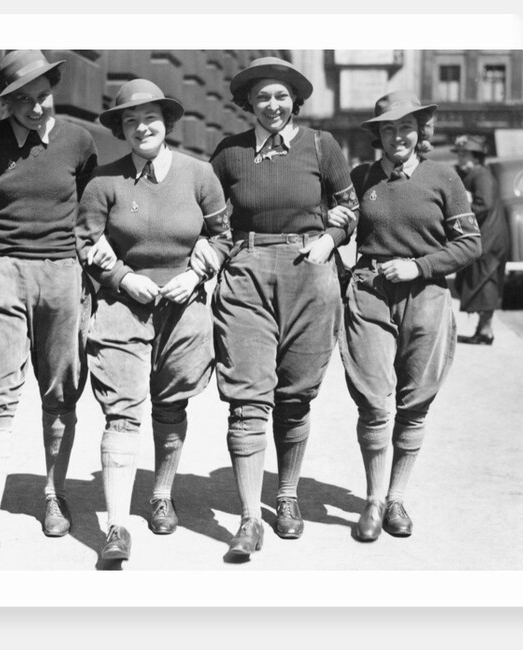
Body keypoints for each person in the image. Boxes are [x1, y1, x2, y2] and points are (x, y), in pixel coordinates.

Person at [199, 57, 360, 560]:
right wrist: (210, 251)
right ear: (249, 102)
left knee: (295, 396)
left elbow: (350, 207)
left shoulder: (321, 146)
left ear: (295, 100)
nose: (273, 105)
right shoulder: (228, 152)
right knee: (247, 397)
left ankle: (286, 497)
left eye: (282, 96)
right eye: (263, 97)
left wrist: (330, 240)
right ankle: (249, 518)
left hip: (308, 269)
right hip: (246, 270)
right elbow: (206, 213)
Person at [0, 50, 99, 564]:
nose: (37, 108)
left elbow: (94, 211)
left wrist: (96, 274)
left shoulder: (78, 141)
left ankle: (54, 493)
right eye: (24, 100)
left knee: (60, 391)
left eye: (43, 96)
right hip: (0, 273)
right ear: (7, 103)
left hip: (60, 273)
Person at [76, 79, 230, 563]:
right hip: (124, 308)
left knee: (170, 403)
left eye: (150, 118)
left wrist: (198, 272)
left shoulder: (199, 175)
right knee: (121, 409)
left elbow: (225, 236)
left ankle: (161, 494)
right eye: (130, 120)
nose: (142, 127)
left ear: (167, 123)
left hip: (183, 308)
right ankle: (117, 528)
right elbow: (85, 242)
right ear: (121, 129)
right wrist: (122, 278)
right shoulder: (105, 181)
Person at [333, 91, 481, 542]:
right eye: (389, 129)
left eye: (406, 128)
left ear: (421, 133)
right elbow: (338, 226)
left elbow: (470, 243)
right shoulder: (362, 177)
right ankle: (374, 500)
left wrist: (420, 266)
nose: (398, 136)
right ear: (378, 135)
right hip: (371, 296)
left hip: (427, 296)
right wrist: (343, 271)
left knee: (414, 403)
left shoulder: (444, 177)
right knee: (374, 402)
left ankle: (397, 497)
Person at [451, 135, 510, 345]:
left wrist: (457, 217)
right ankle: (483, 329)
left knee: (486, 284)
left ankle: (486, 330)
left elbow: (482, 205)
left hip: (490, 239)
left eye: (465, 154)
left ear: (477, 157)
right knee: (480, 282)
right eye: (459, 153)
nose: (460, 158)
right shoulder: (472, 174)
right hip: (484, 237)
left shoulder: (480, 175)